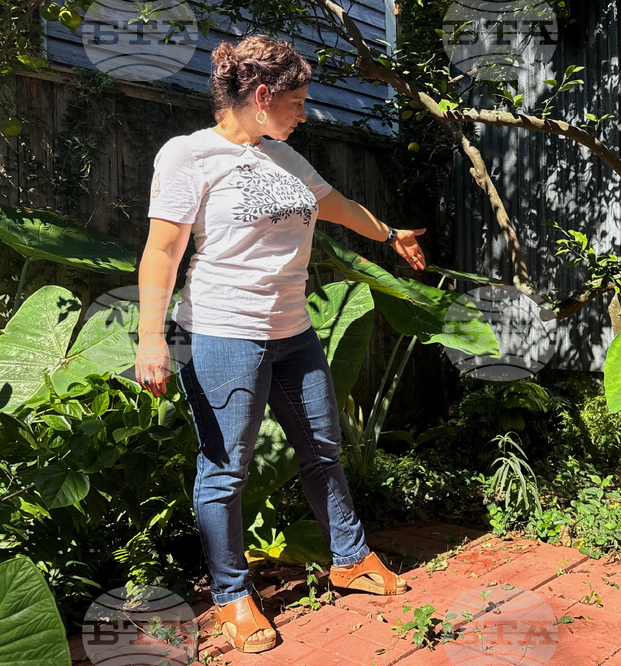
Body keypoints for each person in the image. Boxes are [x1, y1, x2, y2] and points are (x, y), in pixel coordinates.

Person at [134, 34, 427, 654]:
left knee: (324, 449)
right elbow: (162, 251)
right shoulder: (189, 156)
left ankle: (349, 558)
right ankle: (231, 596)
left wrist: (391, 233)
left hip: (293, 333)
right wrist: (150, 338)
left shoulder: (287, 158)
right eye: (296, 101)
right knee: (226, 471)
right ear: (262, 97)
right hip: (222, 334)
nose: (304, 112)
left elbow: (337, 206)